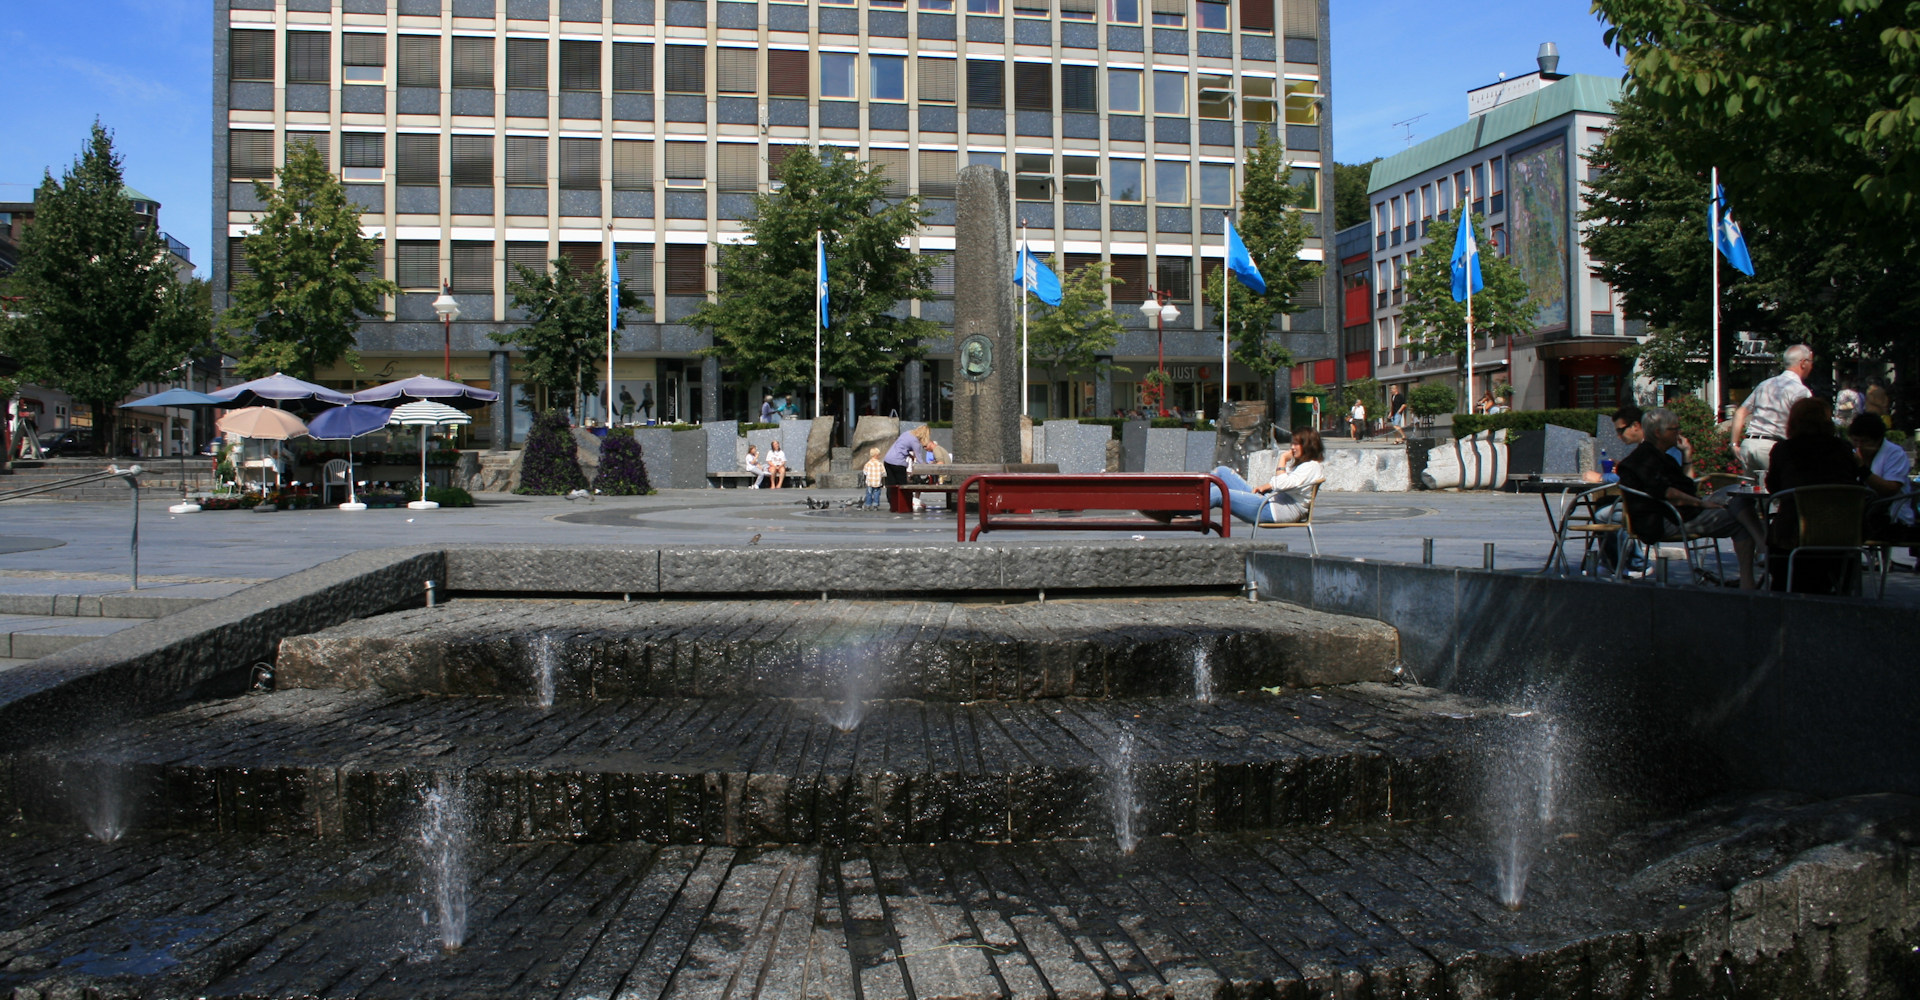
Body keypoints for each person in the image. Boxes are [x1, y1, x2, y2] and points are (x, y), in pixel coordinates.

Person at [1617, 406, 1759, 588]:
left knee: (1737, 490)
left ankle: (1761, 545)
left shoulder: (1660, 456)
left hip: (1678, 512)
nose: (1678, 432)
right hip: (1666, 521)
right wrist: (1702, 504)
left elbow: (1688, 486)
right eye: (1674, 429)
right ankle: (1750, 580)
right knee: (1738, 523)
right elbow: (1669, 493)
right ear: (1658, 433)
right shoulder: (1646, 459)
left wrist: (1686, 454)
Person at [1764, 399, 1865, 591]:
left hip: (1796, 533)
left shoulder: (1784, 450)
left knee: (1779, 529)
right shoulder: (1843, 448)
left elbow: (1774, 488)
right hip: (1841, 531)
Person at [1730, 343, 1814, 479]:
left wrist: (1734, 444)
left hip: (1749, 444)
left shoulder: (1764, 385)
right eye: (1811, 361)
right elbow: (1802, 424)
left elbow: (1740, 412)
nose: (1812, 366)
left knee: (1752, 495)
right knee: (1779, 492)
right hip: (1773, 446)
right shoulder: (1800, 391)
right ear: (1803, 363)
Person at [1208, 428, 1326, 525]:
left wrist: (1283, 459)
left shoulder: (1311, 467)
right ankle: (1191, 499)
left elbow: (1282, 484)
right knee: (1223, 472)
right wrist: (1267, 486)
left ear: (1307, 446)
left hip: (1277, 510)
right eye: (1292, 443)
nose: (1292, 447)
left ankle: (1191, 505)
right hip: (1270, 501)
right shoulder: (1304, 465)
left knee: (1220, 493)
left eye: (1296, 444)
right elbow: (1286, 483)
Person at [1850, 412, 1918, 543]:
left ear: (1878, 440)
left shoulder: (1895, 454)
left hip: (1890, 517)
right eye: (1855, 441)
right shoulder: (1853, 453)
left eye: (1864, 442)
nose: (1859, 446)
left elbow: (1890, 489)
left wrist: (1862, 469)